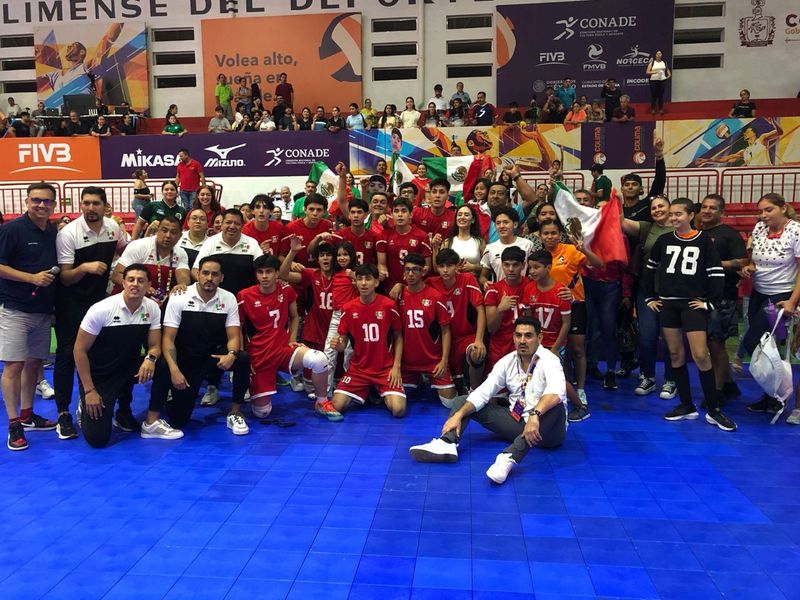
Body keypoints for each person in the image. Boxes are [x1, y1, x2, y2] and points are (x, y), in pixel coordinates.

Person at [409, 316, 567, 485]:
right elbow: (484, 392)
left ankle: (509, 457)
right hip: (518, 422)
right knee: (464, 401)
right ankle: (447, 442)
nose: (522, 340)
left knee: (554, 408)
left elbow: (557, 391)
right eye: (518, 335)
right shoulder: (507, 362)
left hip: (548, 431)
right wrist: (458, 415)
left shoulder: (550, 360)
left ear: (539, 338)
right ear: (513, 337)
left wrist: (535, 415)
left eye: (528, 336)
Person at [642, 198, 735, 431]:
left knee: (701, 354)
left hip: (693, 306)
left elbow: (715, 273)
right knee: (674, 354)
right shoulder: (663, 241)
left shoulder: (704, 240)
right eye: (671, 214)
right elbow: (649, 270)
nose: (673, 218)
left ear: (691, 215)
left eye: (678, 214)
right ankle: (686, 405)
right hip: (669, 305)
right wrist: (649, 297)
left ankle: (713, 409)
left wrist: (710, 303)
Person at [146, 257, 250, 437]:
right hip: (186, 359)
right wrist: (174, 370)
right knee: (180, 420)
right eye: (206, 273)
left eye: (215, 274)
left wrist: (231, 354)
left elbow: (234, 336)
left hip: (212, 357)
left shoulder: (229, 298)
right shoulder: (180, 296)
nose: (210, 278)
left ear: (221, 278)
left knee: (242, 358)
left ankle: (235, 412)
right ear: (198, 275)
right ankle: (169, 398)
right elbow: (168, 339)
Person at [54, 187, 125, 440]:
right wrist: (84, 267)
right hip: (70, 302)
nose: (90, 208)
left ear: (105, 206)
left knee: (98, 355)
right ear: (80, 205)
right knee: (66, 355)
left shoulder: (113, 228)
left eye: (95, 203)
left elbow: (121, 252)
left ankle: (92, 401)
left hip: (98, 302)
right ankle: (63, 414)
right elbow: (65, 278)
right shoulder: (68, 234)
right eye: (86, 203)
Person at [240, 254, 339, 421]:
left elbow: (295, 316)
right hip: (259, 355)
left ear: (277, 273)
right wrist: (243, 358)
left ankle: (322, 402)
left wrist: (292, 339)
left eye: (269, 271)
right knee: (262, 412)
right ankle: (257, 387)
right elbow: (239, 328)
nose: (264, 276)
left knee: (320, 359)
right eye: (260, 272)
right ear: (255, 274)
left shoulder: (286, 290)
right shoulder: (244, 296)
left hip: (283, 349)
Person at [73, 264, 161, 448]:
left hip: (128, 368)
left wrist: (150, 359)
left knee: (165, 365)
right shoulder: (101, 309)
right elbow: (79, 350)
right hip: (100, 375)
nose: (135, 284)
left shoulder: (152, 308)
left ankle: (147, 419)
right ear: (123, 282)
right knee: (98, 439)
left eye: (140, 280)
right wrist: (89, 391)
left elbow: (155, 346)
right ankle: (84, 406)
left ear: (148, 285)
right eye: (131, 279)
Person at [0, 183, 59, 450]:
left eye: (47, 201)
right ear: (26, 201)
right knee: (13, 366)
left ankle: (27, 415)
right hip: (15, 309)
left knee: (34, 364)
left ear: (54, 205)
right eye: (36, 200)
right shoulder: (12, 230)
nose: (41, 205)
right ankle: (13, 424)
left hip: (43, 311)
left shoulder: (52, 231)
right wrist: (31, 278)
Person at [740, 193, 800, 416]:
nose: (763, 215)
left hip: (781, 295)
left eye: (768, 210)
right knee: (765, 348)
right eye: (761, 211)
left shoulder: (796, 231)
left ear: (783, 208)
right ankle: (771, 396)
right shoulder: (759, 229)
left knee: (754, 342)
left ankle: (778, 394)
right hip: (759, 293)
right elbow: (755, 259)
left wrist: (793, 301)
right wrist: (750, 267)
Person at [539, 219, 604, 421]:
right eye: (546, 233)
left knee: (576, 349)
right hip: (550, 309)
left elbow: (599, 264)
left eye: (553, 233)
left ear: (560, 235)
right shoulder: (538, 256)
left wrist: (584, 249)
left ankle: (581, 389)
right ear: (540, 236)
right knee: (557, 352)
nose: (550, 237)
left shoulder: (571, 250)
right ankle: (561, 389)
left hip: (576, 305)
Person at [330, 264, 406, 417]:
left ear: (376, 282)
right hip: (359, 369)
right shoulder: (348, 308)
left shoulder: (388, 305)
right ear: (355, 282)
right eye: (360, 279)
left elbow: (398, 336)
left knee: (398, 410)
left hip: (384, 369)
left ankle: (376, 389)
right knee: (337, 406)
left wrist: (396, 366)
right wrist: (339, 346)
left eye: (368, 279)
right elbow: (343, 342)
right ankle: (368, 389)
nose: (363, 283)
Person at [621, 194, 677, 397]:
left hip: (674, 293)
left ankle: (672, 380)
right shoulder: (647, 227)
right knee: (647, 336)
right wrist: (617, 199)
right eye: (654, 208)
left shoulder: (681, 228)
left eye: (661, 206)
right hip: (647, 291)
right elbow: (620, 221)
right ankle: (648, 377)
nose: (657, 210)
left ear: (670, 208)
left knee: (671, 338)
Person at [698, 194, 748, 403]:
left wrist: (715, 264)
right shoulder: (696, 233)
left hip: (722, 297)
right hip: (700, 296)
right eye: (705, 207)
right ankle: (728, 384)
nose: (708, 211)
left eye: (713, 208)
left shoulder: (729, 234)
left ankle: (716, 392)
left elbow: (743, 261)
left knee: (716, 343)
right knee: (709, 344)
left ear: (722, 212)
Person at [395, 253, 456, 406]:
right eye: (407, 270)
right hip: (407, 363)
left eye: (415, 270)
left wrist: (444, 361)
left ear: (423, 272)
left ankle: (429, 379)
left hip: (433, 361)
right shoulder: (398, 295)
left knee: (449, 402)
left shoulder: (436, 297)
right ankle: (419, 381)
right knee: (401, 399)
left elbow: (446, 331)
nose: (410, 274)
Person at [427, 248, 487, 393]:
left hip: (466, 336)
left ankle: (475, 391)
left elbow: (480, 310)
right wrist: (399, 286)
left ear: (457, 266)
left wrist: (479, 340)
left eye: (450, 266)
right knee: (454, 390)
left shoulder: (467, 279)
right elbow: (412, 289)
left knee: (477, 353)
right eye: (442, 266)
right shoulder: (431, 282)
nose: (446, 270)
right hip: (442, 340)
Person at [111, 216, 191, 304]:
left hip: (157, 303)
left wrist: (181, 286)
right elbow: (116, 275)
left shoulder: (181, 253)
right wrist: (140, 287)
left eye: (173, 232)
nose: (168, 235)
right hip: (128, 300)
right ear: (157, 231)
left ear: (180, 236)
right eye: (164, 230)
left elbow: (184, 278)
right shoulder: (139, 246)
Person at [193, 208, 263, 298]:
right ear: (222, 225)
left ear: (242, 226)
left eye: (237, 223)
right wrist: (208, 287)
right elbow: (195, 270)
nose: (232, 226)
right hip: (216, 298)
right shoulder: (210, 242)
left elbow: (263, 268)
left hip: (246, 298)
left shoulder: (252, 243)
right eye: (228, 222)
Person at [485, 246, 529, 371]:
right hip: (500, 350)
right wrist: (500, 309)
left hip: (527, 348)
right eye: (507, 265)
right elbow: (491, 328)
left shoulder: (532, 286)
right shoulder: (493, 290)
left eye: (515, 265)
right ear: (502, 265)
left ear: (523, 265)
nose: (511, 269)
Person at [377, 197, 432, 292]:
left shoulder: (422, 236)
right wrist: (382, 273)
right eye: (396, 211)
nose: (400, 215)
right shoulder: (384, 235)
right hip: (390, 288)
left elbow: (427, 267)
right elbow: (381, 264)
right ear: (391, 214)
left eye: (403, 211)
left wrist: (412, 277)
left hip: (414, 288)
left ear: (410, 214)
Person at [480, 207, 535, 285]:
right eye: (498, 223)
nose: (501, 226)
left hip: (524, 292)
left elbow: (534, 271)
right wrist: (485, 282)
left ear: (515, 224)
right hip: (500, 294)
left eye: (505, 222)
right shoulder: (490, 248)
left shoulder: (528, 245)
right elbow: (483, 276)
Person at [281, 193, 333, 269]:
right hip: (299, 273)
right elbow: (280, 256)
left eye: (319, 210)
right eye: (311, 209)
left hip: (320, 272)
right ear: (305, 210)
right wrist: (291, 263)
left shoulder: (327, 225)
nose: (315, 213)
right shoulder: (290, 227)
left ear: (324, 212)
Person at [439, 204, 485, 275]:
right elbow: (439, 266)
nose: (462, 217)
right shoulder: (447, 242)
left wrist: (473, 267)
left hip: (474, 281)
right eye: (459, 215)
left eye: (466, 215)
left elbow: (487, 267)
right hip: (452, 282)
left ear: (473, 220)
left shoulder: (480, 242)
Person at [646, 50, 671, 115]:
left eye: (660, 54)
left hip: (662, 80)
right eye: (657, 54)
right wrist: (655, 72)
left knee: (661, 96)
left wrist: (668, 74)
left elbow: (667, 69)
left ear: (661, 55)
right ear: (655, 55)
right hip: (654, 81)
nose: (659, 55)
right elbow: (647, 72)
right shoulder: (652, 62)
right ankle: (653, 109)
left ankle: (661, 109)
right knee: (654, 95)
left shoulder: (664, 62)